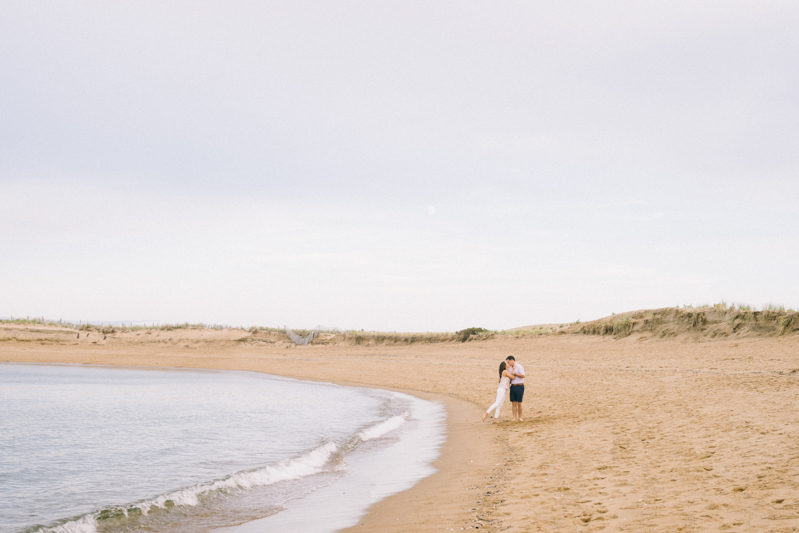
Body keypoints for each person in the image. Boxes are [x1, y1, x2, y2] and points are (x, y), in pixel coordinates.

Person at [506, 355, 526, 421]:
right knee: (513, 403)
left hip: (519, 386)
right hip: (513, 386)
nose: (508, 363)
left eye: (509, 362)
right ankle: (514, 417)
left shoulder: (519, 366)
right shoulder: (510, 368)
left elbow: (523, 375)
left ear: (512, 360)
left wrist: (515, 374)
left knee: (519, 403)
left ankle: (520, 417)